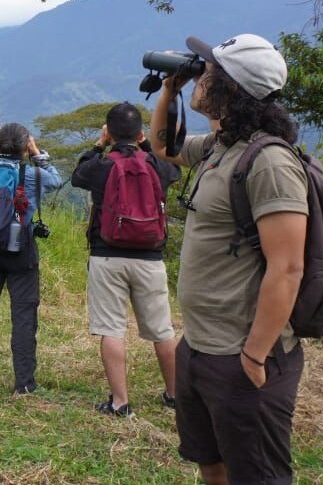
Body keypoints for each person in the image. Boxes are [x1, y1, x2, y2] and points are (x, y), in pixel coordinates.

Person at [150, 34, 308, 485]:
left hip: (241, 354)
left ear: (232, 87)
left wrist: (255, 356)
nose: (202, 73)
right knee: (211, 464)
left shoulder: (269, 163)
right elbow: (163, 148)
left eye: (211, 70)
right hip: (199, 346)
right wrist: (168, 92)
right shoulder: (221, 147)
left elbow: (288, 267)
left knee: (256, 476)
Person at [71, 102, 180, 417]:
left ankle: (120, 403)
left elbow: (78, 175)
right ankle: (174, 395)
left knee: (111, 329)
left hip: (107, 256)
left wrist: (97, 146)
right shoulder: (156, 166)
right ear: (140, 133)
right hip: (150, 258)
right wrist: (147, 145)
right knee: (162, 330)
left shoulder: (101, 166)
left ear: (108, 132)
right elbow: (174, 171)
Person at [0, 123, 63, 394]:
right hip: (21, 251)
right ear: (24, 146)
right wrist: (36, 152)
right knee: (23, 316)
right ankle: (24, 384)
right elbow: (55, 180)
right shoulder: (31, 175)